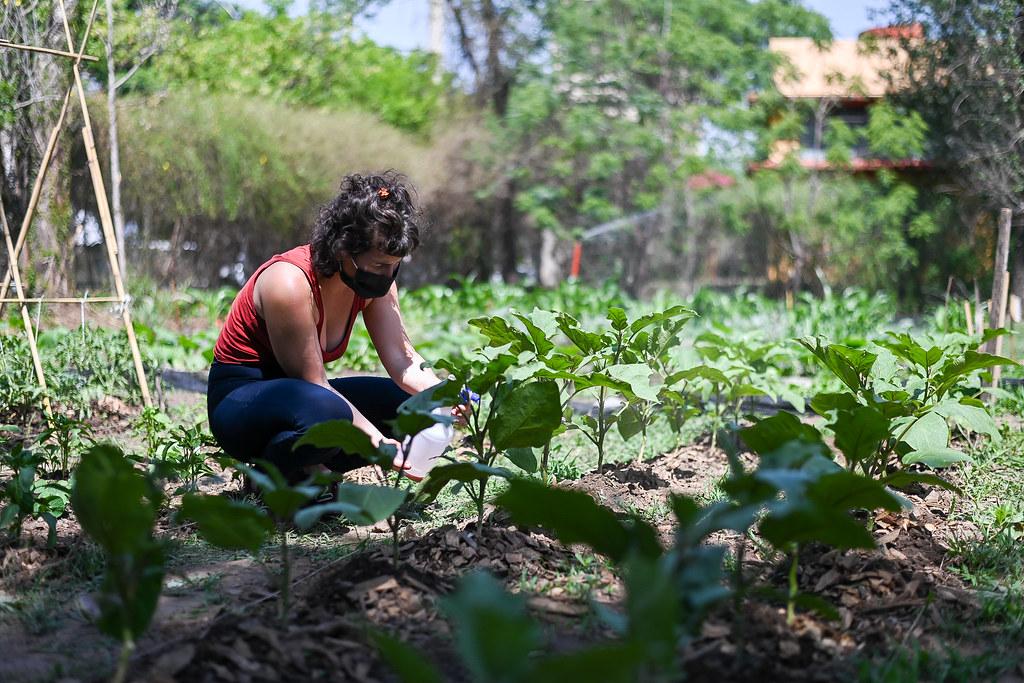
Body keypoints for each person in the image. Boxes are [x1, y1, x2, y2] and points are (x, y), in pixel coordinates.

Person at [206, 171, 445, 482]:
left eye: (394, 264)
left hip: (305, 400)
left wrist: (445, 395)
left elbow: (402, 360)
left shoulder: (375, 286)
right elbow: (314, 383)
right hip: (241, 401)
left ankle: (307, 471)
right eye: (379, 264)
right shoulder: (288, 283)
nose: (388, 275)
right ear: (343, 248)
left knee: (411, 407)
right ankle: (272, 475)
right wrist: (379, 444)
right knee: (328, 412)